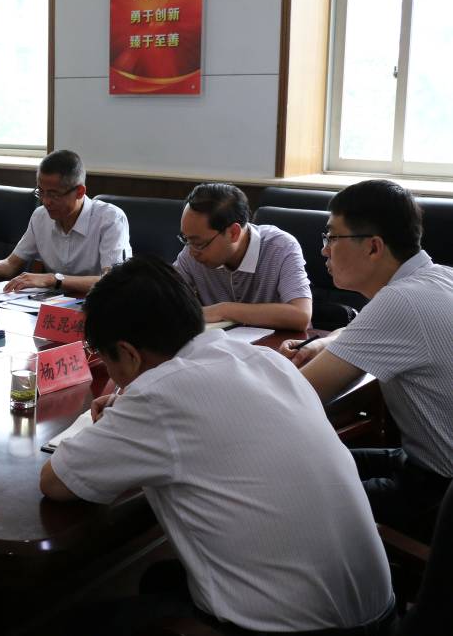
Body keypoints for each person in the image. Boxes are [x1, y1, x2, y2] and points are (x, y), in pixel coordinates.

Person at [42, 256, 393, 635]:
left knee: (64, 621)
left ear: (127, 353)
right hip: (379, 613)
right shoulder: (265, 359)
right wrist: (132, 406)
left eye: (102, 354)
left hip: (293, 629)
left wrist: (130, 411)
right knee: (160, 578)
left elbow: (57, 482)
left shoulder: (158, 398)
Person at [279, 180, 453, 539]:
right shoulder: (440, 277)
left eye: (332, 237)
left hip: (439, 493)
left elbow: (297, 395)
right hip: (421, 462)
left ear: (373, 246)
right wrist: (322, 344)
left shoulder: (399, 302)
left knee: (289, 490)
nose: (324, 250)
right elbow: (364, 327)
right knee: (312, 465)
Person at [0, 150, 130, 294]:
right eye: (41, 192)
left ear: (79, 192)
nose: (46, 201)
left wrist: (53, 279)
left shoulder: (110, 219)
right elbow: (12, 264)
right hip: (52, 304)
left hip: (98, 307)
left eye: (54, 195)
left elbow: (112, 282)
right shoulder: (40, 216)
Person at [174, 182, 311, 330]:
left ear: (234, 233)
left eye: (198, 243)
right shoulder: (192, 252)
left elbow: (301, 315)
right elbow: (163, 298)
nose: (191, 251)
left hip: (280, 342)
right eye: (186, 239)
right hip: (221, 342)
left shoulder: (280, 247)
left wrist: (223, 310)